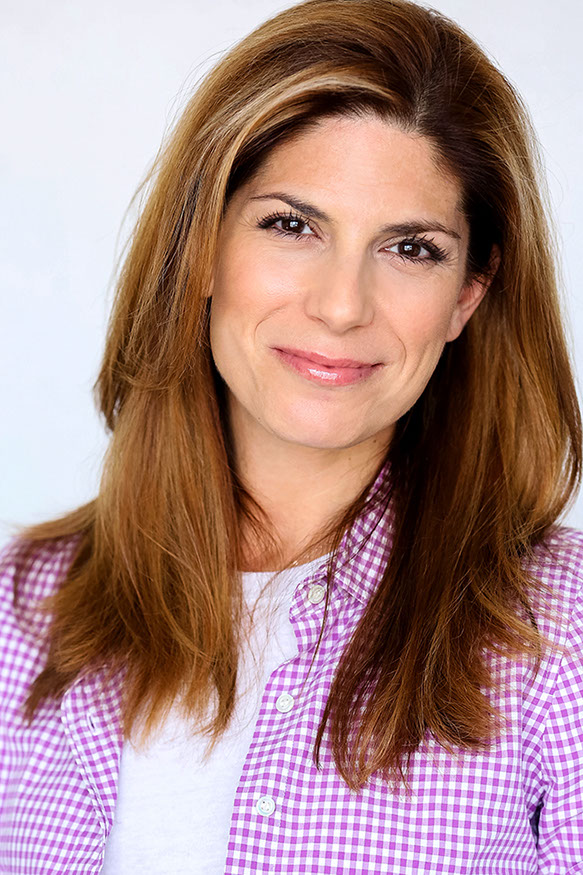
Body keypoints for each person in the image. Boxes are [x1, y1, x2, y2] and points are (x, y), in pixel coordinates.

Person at [1, 0, 582, 871]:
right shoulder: (23, 608)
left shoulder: (561, 636)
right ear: (202, 247)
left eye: (410, 248)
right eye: (292, 225)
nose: (341, 306)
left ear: (467, 294)